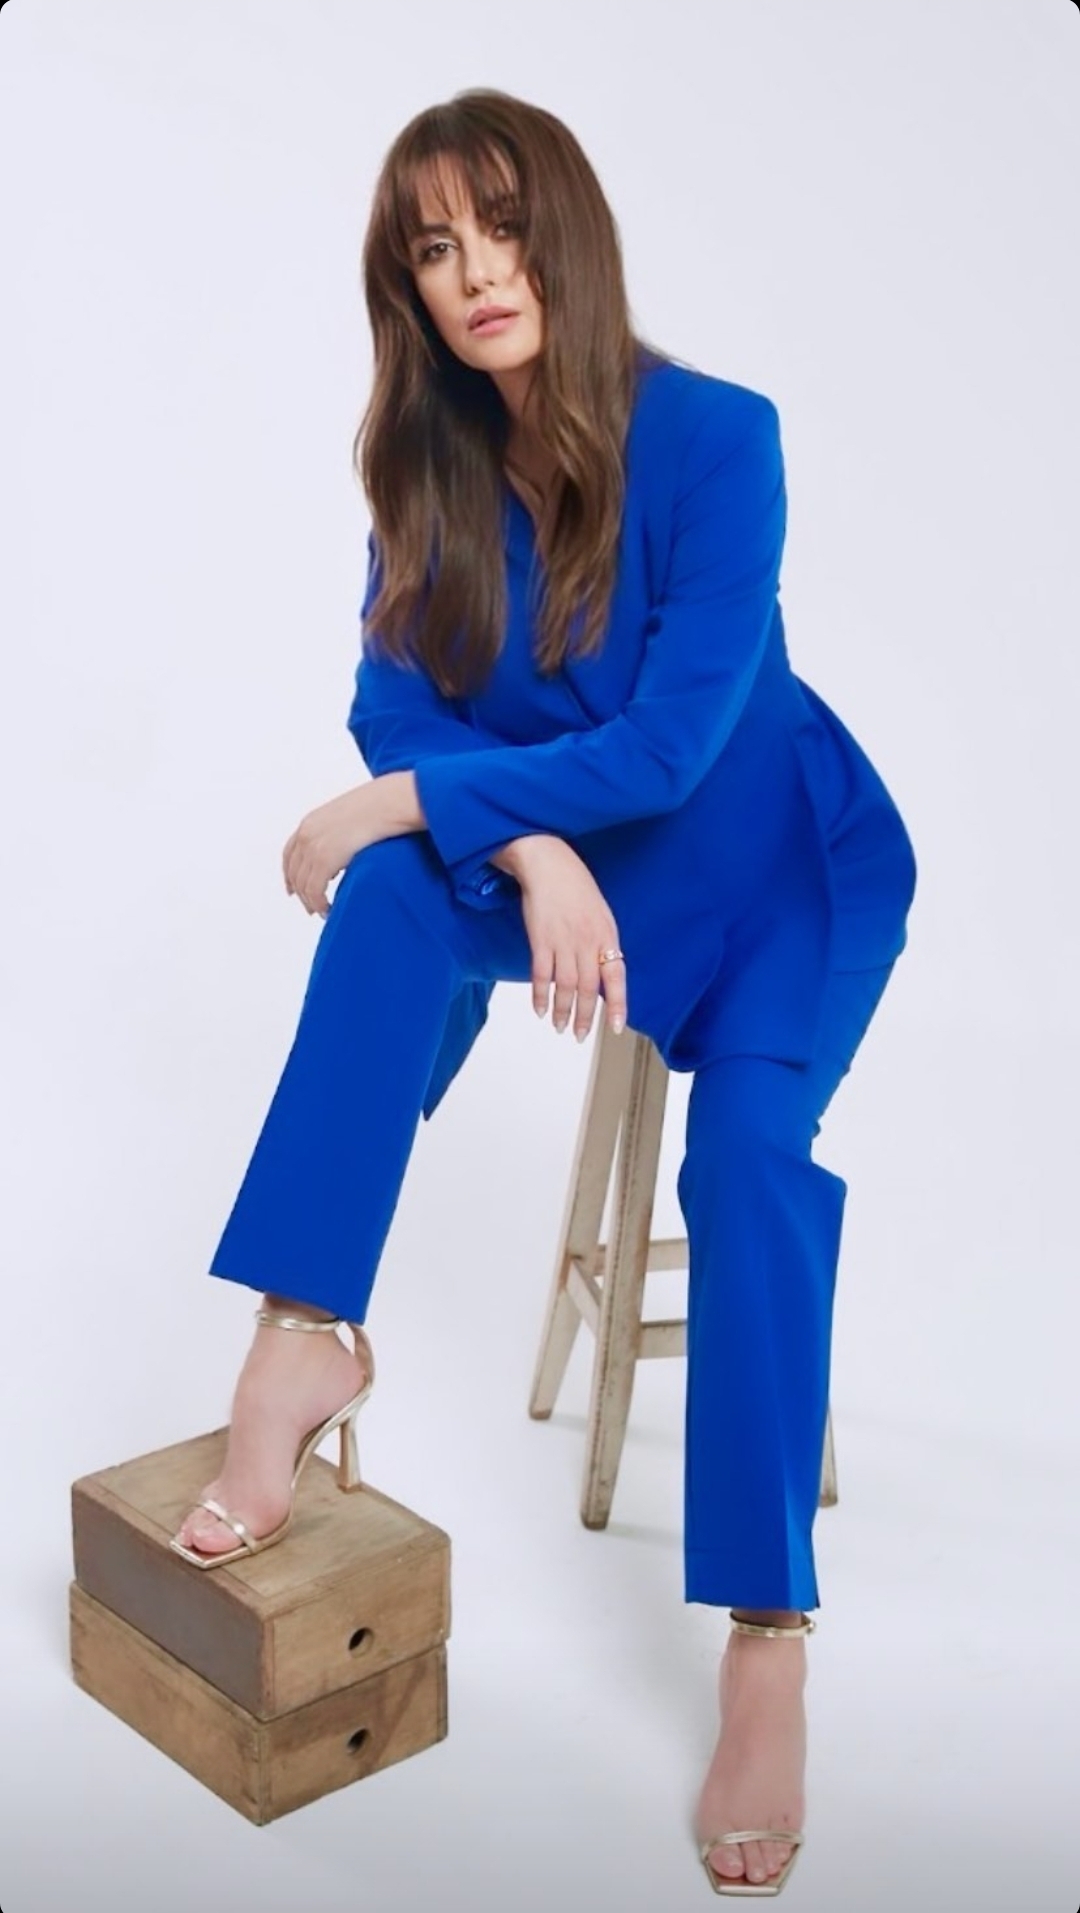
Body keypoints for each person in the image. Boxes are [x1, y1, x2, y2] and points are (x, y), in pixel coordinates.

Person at [170, 88, 917, 1895]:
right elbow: (398, 704)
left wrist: (420, 805)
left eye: (501, 226)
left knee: (744, 1168)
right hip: (581, 872)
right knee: (389, 916)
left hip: (770, 873)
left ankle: (767, 1637)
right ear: (408, 290)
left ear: (563, 230)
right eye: (435, 247)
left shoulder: (722, 440)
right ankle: (300, 1332)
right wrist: (520, 846)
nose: (476, 272)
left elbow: (667, 747)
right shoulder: (427, 468)